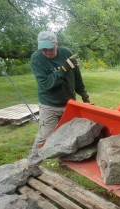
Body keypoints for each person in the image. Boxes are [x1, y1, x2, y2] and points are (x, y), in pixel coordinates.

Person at [27, 31, 90, 176]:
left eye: (51, 48)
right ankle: (32, 164)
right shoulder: (36, 58)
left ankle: (65, 160)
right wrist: (62, 70)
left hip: (69, 102)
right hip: (49, 104)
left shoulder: (66, 53)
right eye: (44, 49)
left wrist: (84, 95)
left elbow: (76, 76)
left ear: (57, 43)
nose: (48, 52)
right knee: (45, 135)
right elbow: (47, 84)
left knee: (69, 134)